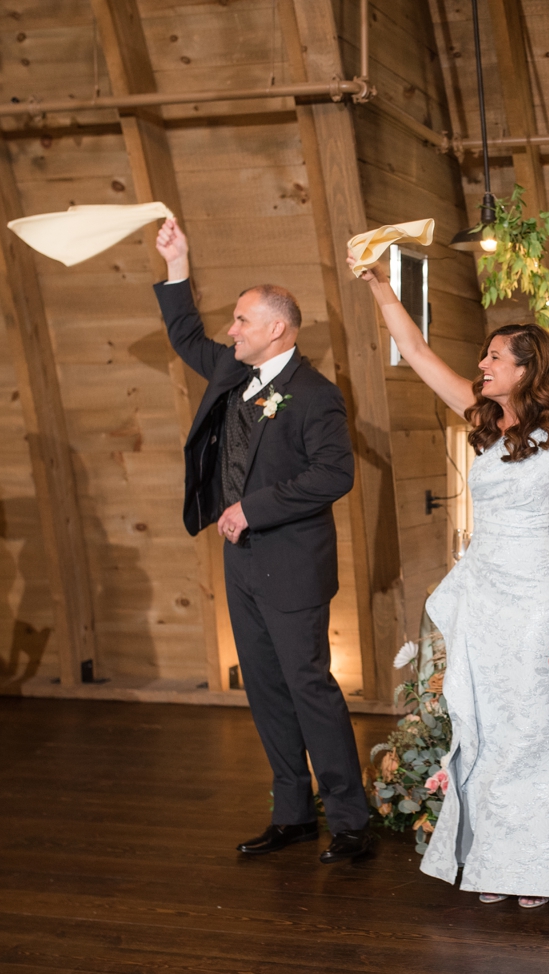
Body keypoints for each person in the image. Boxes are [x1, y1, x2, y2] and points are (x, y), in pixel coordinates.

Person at [351, 249, 549, 908]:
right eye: (486, 356)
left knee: (533, 731)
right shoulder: (485, 419)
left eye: (497, 358)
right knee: (484, 725)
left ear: (530, 370)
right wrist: (380, 285)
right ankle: (493, 855)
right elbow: (414, 347)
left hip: (537, 597)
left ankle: (540, 867)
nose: (483, 365)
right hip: (486, 597)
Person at [153, 218, 371, 863]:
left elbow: (336, 473)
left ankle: (352, 820)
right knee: (264, 687)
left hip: (293, 562)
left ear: (276, 328)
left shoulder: (314, 395)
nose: (231, 330)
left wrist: (253, 508)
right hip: (242, 565)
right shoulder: (230, 372)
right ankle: (293, 812)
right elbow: (186, 332)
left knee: (309, 686)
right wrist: (177, 263)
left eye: (242, 320)